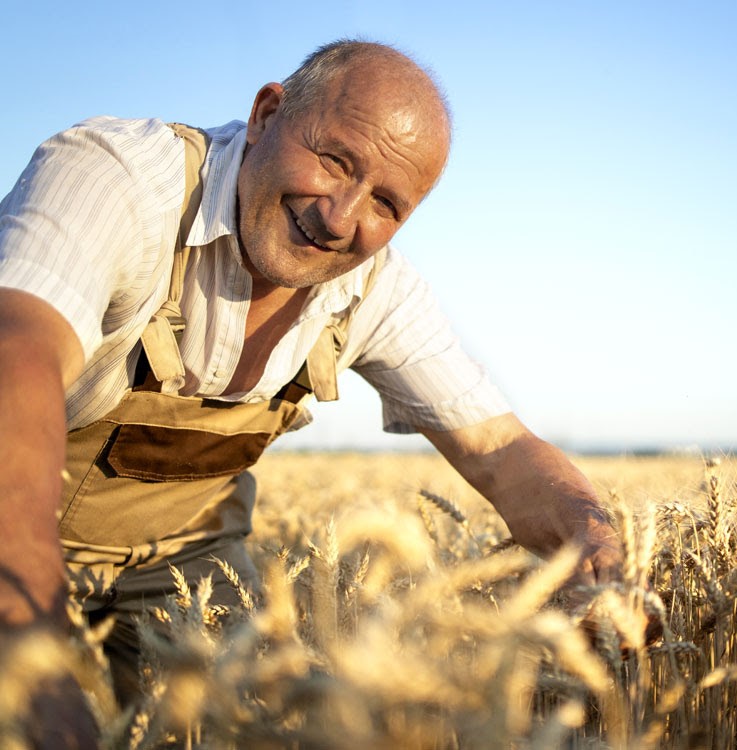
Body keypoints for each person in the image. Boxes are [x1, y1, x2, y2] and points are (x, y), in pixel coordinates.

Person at [0, 40, 622, 746]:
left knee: (254, 724)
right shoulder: (115, 179)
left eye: (385, 203)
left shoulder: (377, 289)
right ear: (267, 114)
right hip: (14, 526)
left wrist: (590, 536)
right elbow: (16, 357)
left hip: (183, 563)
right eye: (335, 161)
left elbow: (499, 449)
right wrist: (29, 641)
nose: (339, 217)